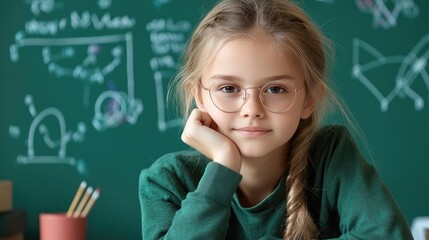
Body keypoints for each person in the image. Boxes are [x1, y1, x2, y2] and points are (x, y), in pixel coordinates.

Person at [139, 0, 413, 239]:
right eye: (228, 89)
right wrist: (223, 168)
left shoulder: (331, 157)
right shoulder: (166, 180)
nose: (252, 109)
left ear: (309, 99)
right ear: (199, 96)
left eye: (275, 89)